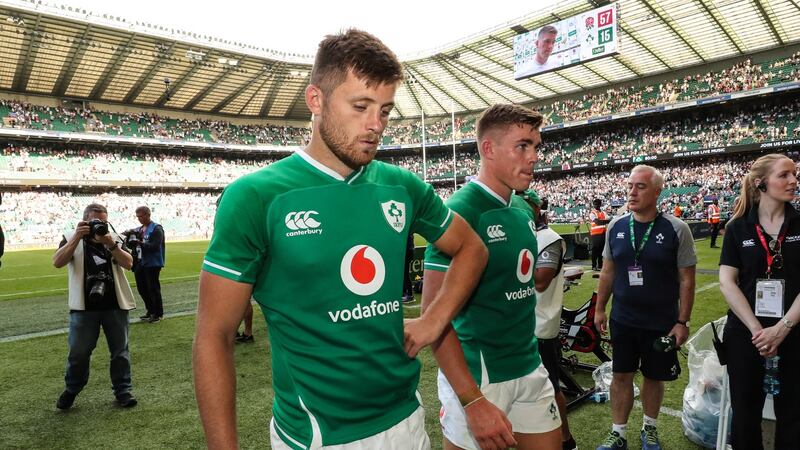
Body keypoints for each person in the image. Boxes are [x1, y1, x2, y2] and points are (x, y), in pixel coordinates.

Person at [193, 29, 488, 450]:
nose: (376, 126)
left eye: (385, 110)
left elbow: (471, 248)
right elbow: (214, 336)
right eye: (360, 106)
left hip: (407, 419)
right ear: (316, 100)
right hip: (318, 436)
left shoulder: (400, 185)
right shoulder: (257, 196)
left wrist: (434, 320)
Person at [424, 104, 561, 450]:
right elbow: (434, 320)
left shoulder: (520, 208)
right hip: (481, 378)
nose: (533, 157)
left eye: (536, 147)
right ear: (489, 149)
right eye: (522, 146)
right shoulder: (460, 211)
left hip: (529, 365)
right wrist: (471, 400)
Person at [594, 165, 697, 450]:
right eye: (630, 185)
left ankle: (649, 428)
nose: (632, 191)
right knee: (621, 375)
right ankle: (618, 432)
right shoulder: (616, 226)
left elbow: (687, 280)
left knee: (653, 377)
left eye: (640, 186)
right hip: (624, 319)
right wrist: (600, 308)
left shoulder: (677, 229)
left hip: (661, 321)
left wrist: (682, 321)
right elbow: (608, 272)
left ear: (657, 191)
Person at [718, 153, 800, 449]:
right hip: (745, 336)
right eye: (784, 175)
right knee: (745, 415)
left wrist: (783, 327)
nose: (793, 181)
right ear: (760, 183)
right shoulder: (738, 227)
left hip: (794, 331)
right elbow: (727, 281)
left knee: (793, 415)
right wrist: (757, 330)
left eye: (794, 174)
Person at [52, 203, 138, 410]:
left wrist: (111, 244)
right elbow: (57, 262)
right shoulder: (70, 237)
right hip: (83, 307)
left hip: (115, 304)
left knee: (120, 351)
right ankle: (72, 389)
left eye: (103, 221)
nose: (99, 225)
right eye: (95, 221)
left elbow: (129, 264)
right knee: (79, 351)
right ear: (84, 221)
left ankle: (123, 390)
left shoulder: (114, 237)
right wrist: (76, 237)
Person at [524, 190, 577, 450]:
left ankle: (567, 440)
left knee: (550, 387)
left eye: (524, 202)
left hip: (540, 327)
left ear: (536, 207)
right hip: (518, 326)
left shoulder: (549, 238)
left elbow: (541, 281)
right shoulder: (522, 233)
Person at [126, 206, 165, 323]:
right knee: (142, 289)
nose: (139, 219)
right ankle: (150, 311)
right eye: (137, 216)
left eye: (141, 216)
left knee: (153, 289)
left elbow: (154, 246)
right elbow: (130, 246)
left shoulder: (157, 229)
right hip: (139, 262)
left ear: (148, 215)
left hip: (152, 263)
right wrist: (130, 241)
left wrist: (139, 243)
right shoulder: (138, 229)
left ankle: (158, 314)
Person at [589, 198, 610, 271]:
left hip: (603, 233)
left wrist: (604, 221)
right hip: (595, 234)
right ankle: (594, 265)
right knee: (595, 250)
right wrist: (606, 221)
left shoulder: (603, 213)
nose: (596, 206)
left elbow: (608, 220)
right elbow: (598, 222)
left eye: (597, 204)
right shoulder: (592, 213)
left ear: (600, 205)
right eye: (595, 204)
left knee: (601, 250)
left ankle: (600, 265)